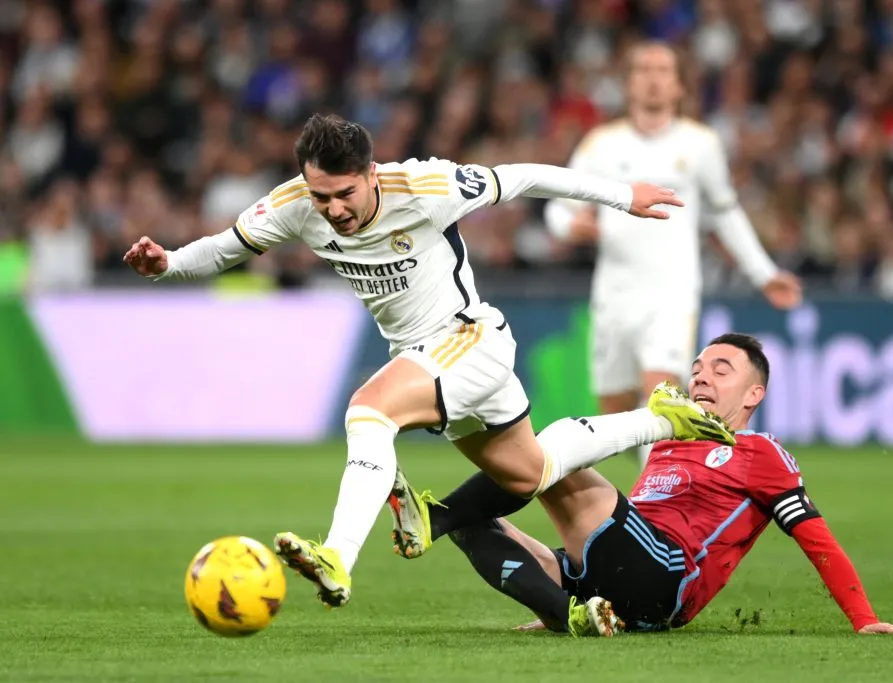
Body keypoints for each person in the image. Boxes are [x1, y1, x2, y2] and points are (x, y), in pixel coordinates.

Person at [122, 113, 733, 609]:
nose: (332, 209)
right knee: (530, 473)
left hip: (470, 338)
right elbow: (225, 248)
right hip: (425, 357)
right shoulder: (294, 205)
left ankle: (337, 555)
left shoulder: (426, 187)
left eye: (344, 193)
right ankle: (658, 419)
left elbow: (521, 177)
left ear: (371, 174)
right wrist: (169, 264)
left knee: (368, 410)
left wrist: (622, 196)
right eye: (321, 195)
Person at [387, 333, 893, 637]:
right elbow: (634, 513)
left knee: (549, 456)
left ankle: (436, 520)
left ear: (754, 393)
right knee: (479, 524)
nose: (701, 376)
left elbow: (815, 535)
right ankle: (565, 611)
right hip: (617, 567)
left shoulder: (761, 454)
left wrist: (863, 619)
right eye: (698, 367)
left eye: (721, 370)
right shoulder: (666, 440)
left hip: (666, 577)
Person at [545, 42, 803, 468]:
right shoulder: (601, 145)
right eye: (643, 69)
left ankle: (654, 515)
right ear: (628, 82)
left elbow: (725, 212)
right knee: (616, 410)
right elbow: (558, 206)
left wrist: (764, 273)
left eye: (663, 69)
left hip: (672, 292)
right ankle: (640, 480)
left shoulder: (700, 144)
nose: (652, 77)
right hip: (614, 295)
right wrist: (569, 226)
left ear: (679, 84)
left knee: (659, 393)